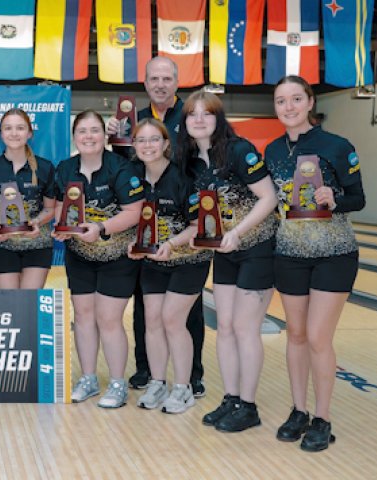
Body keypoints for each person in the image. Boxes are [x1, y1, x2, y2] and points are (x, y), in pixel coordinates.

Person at [265, 75, 364, 452]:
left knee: (319, 337)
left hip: (333, 253)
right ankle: (299, 411)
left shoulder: (337, 146)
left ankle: (322, 418)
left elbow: (358, 198)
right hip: (290, 253)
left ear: (310, 103)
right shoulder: (273, 150)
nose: (288, 107)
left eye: (295, 99)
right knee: (296, 335)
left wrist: (333, 199)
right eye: (280, 101)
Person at [177, 91, 278, 432]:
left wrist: (238, 232)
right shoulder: (192, 162)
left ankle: (248, 406)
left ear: (218, 119)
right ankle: (231, 398)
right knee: (225, 327)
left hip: (257, 248)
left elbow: (269, 198)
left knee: (245, 328)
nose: (199, 119)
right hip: (225, 252)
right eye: (192, 114)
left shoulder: (238, 150)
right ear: (185, 122)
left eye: (207, 113)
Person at [107, 56, 206, 397]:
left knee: (184, 313)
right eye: (154, 79)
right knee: (146, 309)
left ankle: (191, 376)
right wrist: (114, 139)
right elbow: (125, 167)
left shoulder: (191, 115)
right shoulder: (133, 120)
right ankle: (148, 370)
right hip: (148, 230)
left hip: (184, 224)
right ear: (146, 83)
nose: (160, 84)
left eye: (166, 78)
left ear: (177, 82)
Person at [57, 110, 143, 408]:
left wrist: (101, 228)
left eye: (95, 130)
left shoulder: (121, 168)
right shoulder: (65, 168)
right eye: (82, 131)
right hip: (80, 255)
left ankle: (117, 383)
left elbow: (134, 212)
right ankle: (89, 378)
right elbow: (59, 207)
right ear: (74, 137)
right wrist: (62, 228)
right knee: (82, 316)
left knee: (108, 319)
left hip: (117, 255)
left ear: (105, 135)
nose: (89, 136)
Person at [127, 119, 212, 414]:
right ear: (134, 145)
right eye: (141, 140)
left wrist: (172, 244)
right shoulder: (133, 178)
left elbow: (198, 226)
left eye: (154, 139)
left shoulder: (184, 178)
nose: (147, 145)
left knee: (172, 320)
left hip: (189, 259)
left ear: (165, 144)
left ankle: (183, 387)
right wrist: (134, 242)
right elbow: (133, 219)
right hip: (153, 260)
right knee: (152, 320)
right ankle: (158, 382)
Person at [0, 108, 56, 289]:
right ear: (1, 133)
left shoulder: (45, 167)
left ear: (29, 133)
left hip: (38, 244)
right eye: (8, 128)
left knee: (29, 301)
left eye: (20, 128)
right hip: (3, 245)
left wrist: (36, 222)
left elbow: (50, 208)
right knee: (9, 301)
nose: (14, 133)